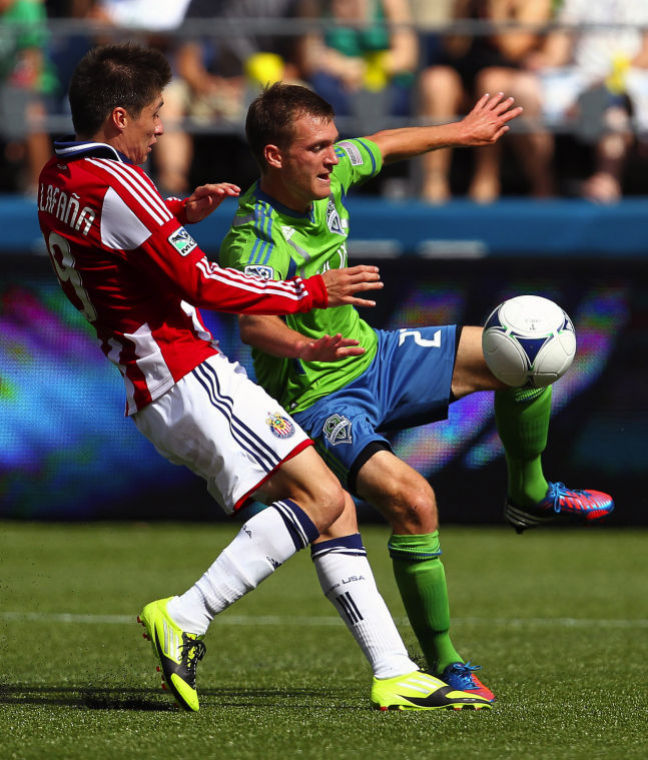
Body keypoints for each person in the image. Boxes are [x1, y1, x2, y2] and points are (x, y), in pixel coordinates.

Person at [37, 42, 492, 713]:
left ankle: (393, 669)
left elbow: (116, 242)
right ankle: (188, 614)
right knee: (319, 497)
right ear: (119, 117)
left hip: (157, 380)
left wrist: (178, 214)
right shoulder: (118, 181)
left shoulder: (57, 176)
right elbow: (204, 281)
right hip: (187, 372)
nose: (162, 126)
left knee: (331, 504)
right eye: (156, 113)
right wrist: (309, 291)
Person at [219, 82, 615, 700]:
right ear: (275, 157)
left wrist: (461, 132)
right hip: (321, 399)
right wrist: (306, 347)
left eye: (332, 144)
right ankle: (445, 663)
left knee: (522, 348)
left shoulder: (329, 175)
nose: (333, 156)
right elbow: (252, 322)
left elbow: (380, 144)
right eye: (317, 147)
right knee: (415, 501)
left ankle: (529, 493)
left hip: (374, 356)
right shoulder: (257, 236)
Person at [417, 0, 554, 203]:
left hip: (509, 76)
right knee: (436, 81)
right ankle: (434, 180)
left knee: (490, 81)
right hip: (465, 75)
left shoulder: (533, 3)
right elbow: (453, 48)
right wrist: (463, 13)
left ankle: (486, 175)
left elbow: (513, 48)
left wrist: (496, 10)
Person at [529, 0, 648, 203]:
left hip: (633, 79)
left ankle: (607, 180)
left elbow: (644, 57)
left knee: (609, 104)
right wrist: (542, 61)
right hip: (579, 81)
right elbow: (558, 48)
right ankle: (547, 188)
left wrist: (607, 80)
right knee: (525, 91)